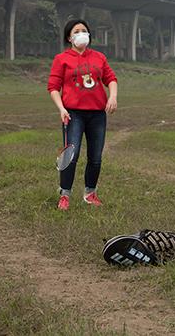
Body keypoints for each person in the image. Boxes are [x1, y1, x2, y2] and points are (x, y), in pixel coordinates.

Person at [47, 19, 118, 211]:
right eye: (77, 31)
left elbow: (111, 79)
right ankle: (64, 195)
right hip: (73, 114)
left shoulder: (99, 57)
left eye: (84, 30)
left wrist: (113, 97)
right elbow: (53, 87)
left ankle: (90, 193)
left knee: (95, 157)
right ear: (70, 37)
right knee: (71, 154)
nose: (81, 34)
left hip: (97, 115)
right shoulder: (61, 59)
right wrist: (61, 109)